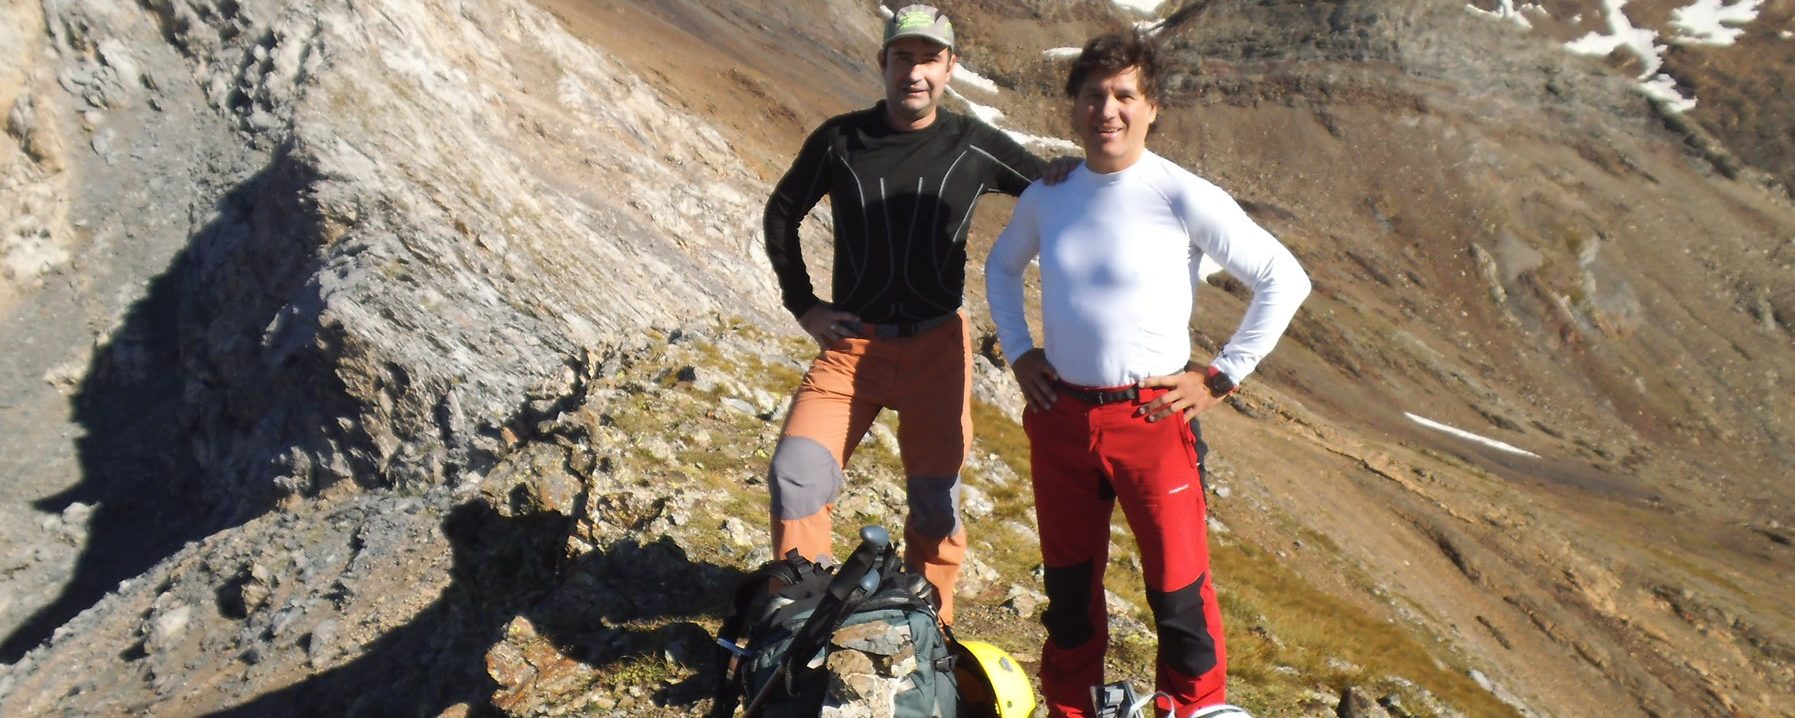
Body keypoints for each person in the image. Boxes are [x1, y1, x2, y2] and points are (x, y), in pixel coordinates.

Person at [984, 31, 1311, 717]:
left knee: (1177, 593)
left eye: (1124, 95)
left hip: (1152, 420)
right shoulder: (1050, 194)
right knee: (1069, 592)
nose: (1108, 110)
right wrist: (1018, 353)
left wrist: (1219, 379)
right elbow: (1001, 265)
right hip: (1062, 418)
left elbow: (1283, 278)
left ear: (1151, 106)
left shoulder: (1180, 194)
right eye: (1094, 95)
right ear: (1073, 106)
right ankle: (1069, 707)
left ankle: (1192, 708)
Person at [762, 3, 1053, 625]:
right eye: (902, 58)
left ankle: (928, 633)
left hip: (936, 352)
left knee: (934, 506)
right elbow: (782, 212)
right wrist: (804, 305)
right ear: (884, 64)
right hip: (851, 350)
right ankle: (794, 616)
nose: (914, 72)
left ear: (948, 68)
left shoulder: (972, 145)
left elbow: (1057, 193)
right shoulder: (840, 140)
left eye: (928, 59)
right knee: (797, 475)